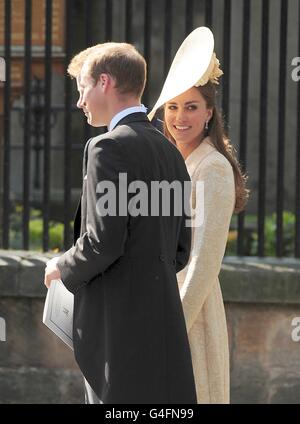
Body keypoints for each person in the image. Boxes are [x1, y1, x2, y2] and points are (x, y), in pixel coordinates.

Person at [44, 42, 197, 404]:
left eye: (82, 87)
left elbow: (103, 242)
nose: (80, 101)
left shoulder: (106, 148)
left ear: (104, 83)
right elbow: (179, 250)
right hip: (163, 331)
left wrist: (60, 267)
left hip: (117, 334)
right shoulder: (170, 152)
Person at [149, 27, 249, 404]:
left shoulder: (213, 167)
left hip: (190, 315)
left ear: (209, 113)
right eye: (173, 107)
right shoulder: (177, 161)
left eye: (191, 107)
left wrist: (171, 327)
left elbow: (203, 263)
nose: (180, 117)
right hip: (165, 307)